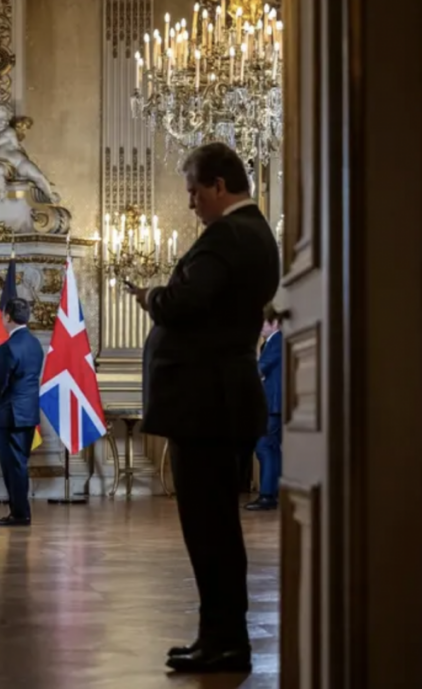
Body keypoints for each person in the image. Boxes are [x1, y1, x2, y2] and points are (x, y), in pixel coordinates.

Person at [130, 142, 279, 673]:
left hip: (207, 403)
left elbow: (187, 303)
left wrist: (152, 297)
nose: (191, 201)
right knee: (214, 529)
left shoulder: (229, 235)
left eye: (194, 190)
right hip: (216, 400)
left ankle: (225, 642)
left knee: (209, 530)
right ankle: (219, 636)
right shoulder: (251, 233)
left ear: (219, 185)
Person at [0, 298, 44, 526]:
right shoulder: (35, 344)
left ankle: (20, 514)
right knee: (19, 465)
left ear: (7, 317)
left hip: (9, 416)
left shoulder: (8, 348)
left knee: (13, 467)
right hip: (28, 414)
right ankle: (20, 512)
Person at [246, 305, 284, 511]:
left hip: (273, 404)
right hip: (272, 404)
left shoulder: (277, 341)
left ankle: (268, 495)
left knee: (264, 447)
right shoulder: (270, 342)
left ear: (275, 323)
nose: (259, 327)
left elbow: (261, 369)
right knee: (271, 448)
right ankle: (274, 492)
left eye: (263, 323)